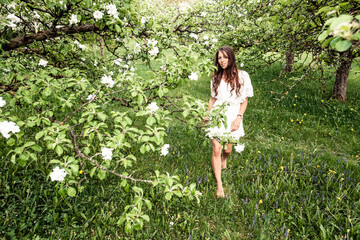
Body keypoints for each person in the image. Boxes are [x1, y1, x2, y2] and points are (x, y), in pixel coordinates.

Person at [204, 46, 253, 198]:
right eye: (219, 58)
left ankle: (225, 159)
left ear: (231, 58)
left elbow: (244, 101)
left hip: (233, 114)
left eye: (225, 57)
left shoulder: (242, 76)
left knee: (226, 150)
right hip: (218, 114)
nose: (222, 60)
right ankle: (219, 185)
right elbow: (213, 98)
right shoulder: (215, 77)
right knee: (216, 148)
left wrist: (239, 117)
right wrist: (207, 114)